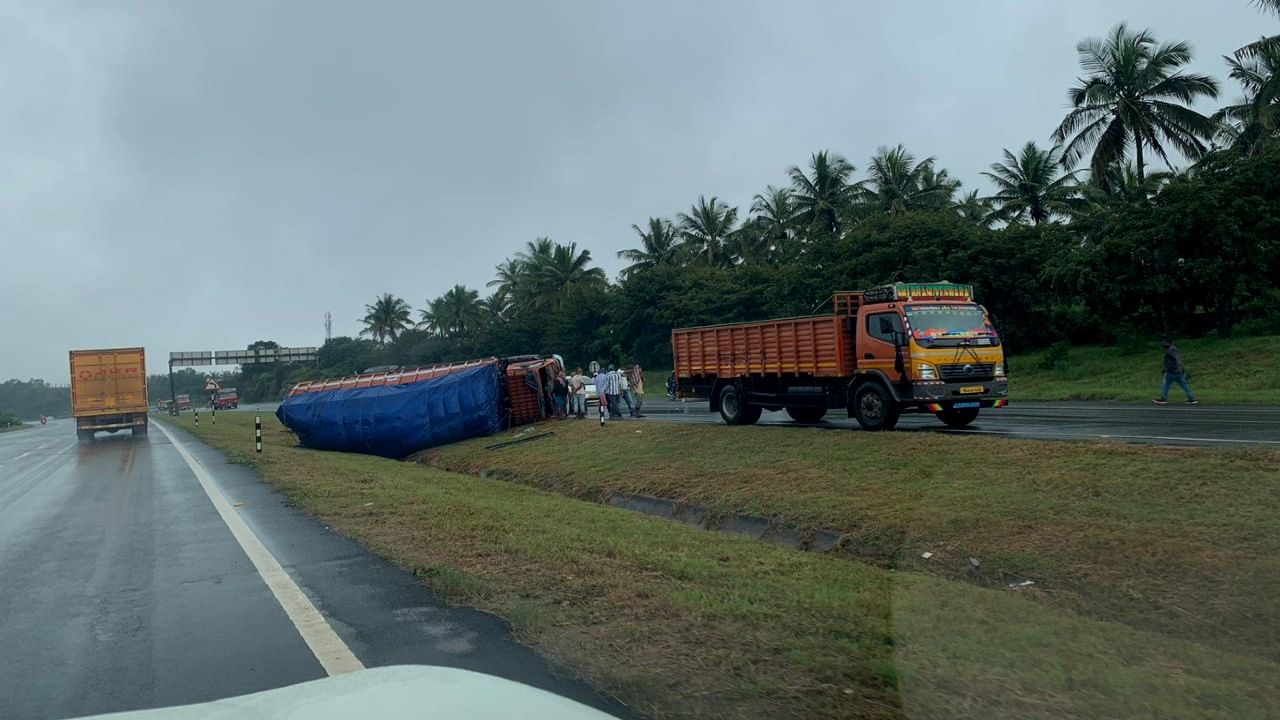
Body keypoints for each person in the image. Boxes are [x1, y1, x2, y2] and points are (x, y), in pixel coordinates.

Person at [1154, 338, 1197, 405]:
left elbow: (1178, 360)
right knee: (1184, 385)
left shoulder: (1172, 350)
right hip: (1179, 371)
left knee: (1165, 385)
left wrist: (1177, 368)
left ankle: (1163, 399)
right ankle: (1191, 399)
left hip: (1172, 371)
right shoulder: (1173, 349)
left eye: (1164, 343)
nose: (1163, 345)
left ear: (1169, 343)